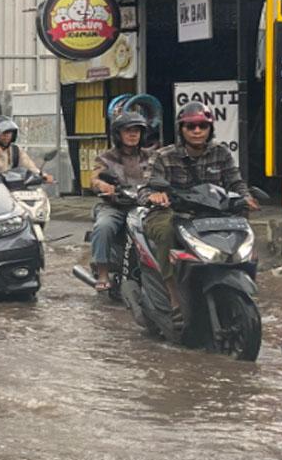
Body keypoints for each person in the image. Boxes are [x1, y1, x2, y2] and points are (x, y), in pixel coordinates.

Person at [139, 102, 256, 310]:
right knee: (166, 232)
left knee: (241, 222)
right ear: (181, 130)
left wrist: (245, 197)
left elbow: (235, 182)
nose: (197, 131)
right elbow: (145, 189)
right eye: (190, 126)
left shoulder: (221, 153)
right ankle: (173, 293)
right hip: (173, 212)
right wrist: (155, 196)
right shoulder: (163, 156)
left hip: (211, 213)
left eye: (202, 126)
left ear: (209, 129)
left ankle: (242, 272)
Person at [89, 111, 155, 291]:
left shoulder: (152, 156)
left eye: (137, 131)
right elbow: (94, 179)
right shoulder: (106, 158)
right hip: (115, 205)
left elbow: (164, 175)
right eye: (128, 131)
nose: (133, 134)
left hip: (143, 205)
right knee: (104, 226)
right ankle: (102, 271)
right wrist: (102, 186)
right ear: (118, 134)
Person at [0, 118, 54, 183]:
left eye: (9, 133)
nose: (7, 136)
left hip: (14, 186)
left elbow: (28, 165)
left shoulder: (16, 150)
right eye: (3, 133)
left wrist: (42, 175)